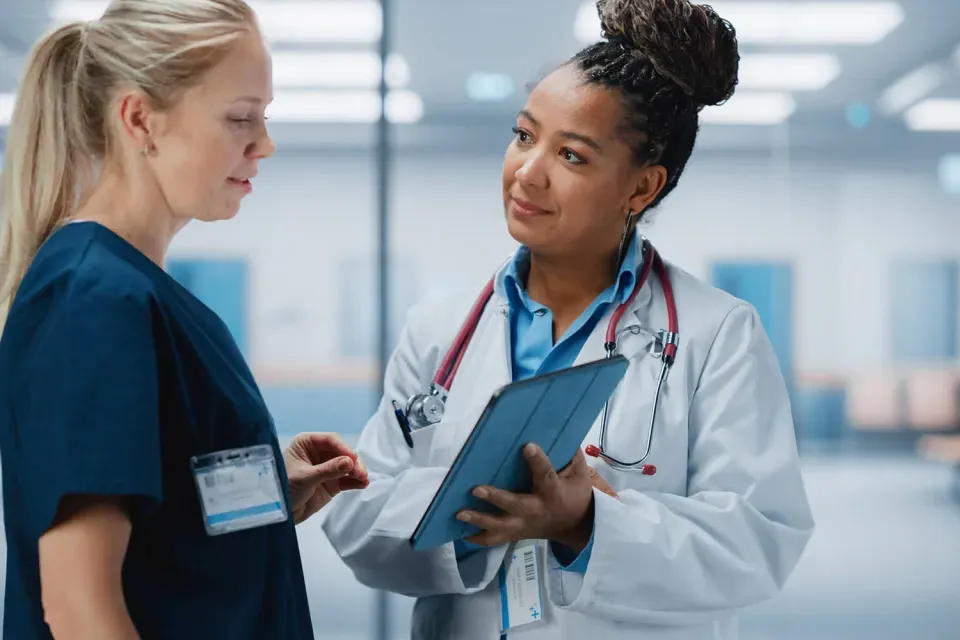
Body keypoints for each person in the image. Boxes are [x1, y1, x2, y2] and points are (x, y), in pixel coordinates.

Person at [321, 0, 815, 638]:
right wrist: (480, 511)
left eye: (572, 156)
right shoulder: (440, 329)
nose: (527, 173)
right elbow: (360, 518)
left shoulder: (716, 334)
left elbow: (757, 542)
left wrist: (583, 523)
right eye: (525, 135)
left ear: (641, 189)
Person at [0, 1, 368, 638]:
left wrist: (269, 490)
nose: (265, 144)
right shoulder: (94, 298)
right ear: (141, 119)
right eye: (239, 119)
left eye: (265, 117)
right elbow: (78, 607)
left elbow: (158, 517)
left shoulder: (143, 293)